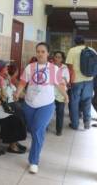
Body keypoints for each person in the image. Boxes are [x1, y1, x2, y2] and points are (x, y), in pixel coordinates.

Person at [14, 42, 68, 174]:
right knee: (35, 130)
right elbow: (22, 82)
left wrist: (65, 96)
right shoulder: (30, 67)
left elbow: (60, 84)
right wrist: (17, 92)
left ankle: (33, 161)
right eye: (38, 51)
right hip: (29, 104)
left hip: (46, 105)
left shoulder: (54, 69)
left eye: (43, 51)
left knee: (37, 130)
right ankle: (38, 143)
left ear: (48, 53)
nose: (40, 54)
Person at [0, 75, 27, 153]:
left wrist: (1, 87)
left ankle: (15, 142)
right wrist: (2, 96)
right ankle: (12, 146)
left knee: (19, 114)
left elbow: (5, 97)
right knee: (15, 119)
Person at [66, 35, 95, 130]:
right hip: (89, 80)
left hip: (76, 81)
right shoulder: (91, 50)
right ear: (84, 42)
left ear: (75, 42)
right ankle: (87, 123)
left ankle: (75, 124)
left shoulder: (72, 51)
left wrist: (70, 79)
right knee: (87, 101)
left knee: (74, 103)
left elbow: (70, 67)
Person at [53, 51, 70, 136]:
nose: (57, 59)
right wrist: (60, 78)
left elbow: (66, 81)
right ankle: (44, 127)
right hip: (51, 92)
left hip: (61, 93)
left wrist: (60, 79)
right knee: (49, 111)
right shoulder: (50, 67)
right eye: (56, 56)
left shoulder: (65, 68)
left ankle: (59, 130)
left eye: (59, 57)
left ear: (62, 59)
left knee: (60, 112)